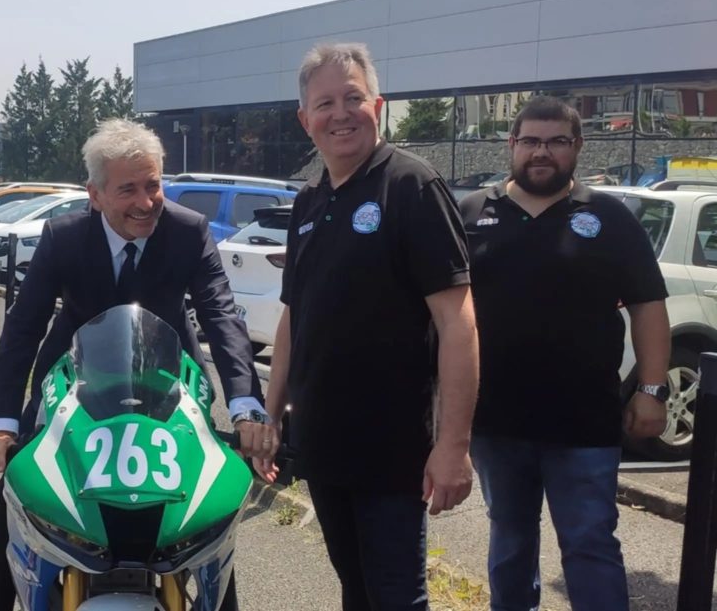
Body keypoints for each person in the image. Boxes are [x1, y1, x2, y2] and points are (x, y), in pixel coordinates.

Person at [0, 118, 277, 611]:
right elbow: (23, 327)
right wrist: (2, 425)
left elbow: (221, 314)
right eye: (128, 190)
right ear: (95, 195)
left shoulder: (188, 230)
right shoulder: (63, 236)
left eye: (153, 185)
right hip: (72, 384)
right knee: (19, 494)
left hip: (170, 384)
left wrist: (246, 407)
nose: (146, 202)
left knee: (205, 516)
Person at [256, 42, 479, 610]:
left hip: (392, 450)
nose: (341, 114)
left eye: (353, 98)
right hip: (324, 444)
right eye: (324, 103)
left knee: (396, 598)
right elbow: (294, 319)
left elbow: (458, 324)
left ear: (377, 106)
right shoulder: (309, 202)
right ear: (305, 120)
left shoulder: (411, 187)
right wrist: (269, 415)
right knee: (355, 590)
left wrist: (453, 446)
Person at [458, 96, 670, 611]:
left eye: (556, 141)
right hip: (496, 419)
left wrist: (651, 389)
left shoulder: (609, 217)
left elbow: (648, 306)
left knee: (590, 543)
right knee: (509, 540)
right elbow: (445, 314)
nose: (542, 152)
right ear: (512, 144)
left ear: (577, 146)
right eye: (530, 140)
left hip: (584, 421)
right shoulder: (471, 213)